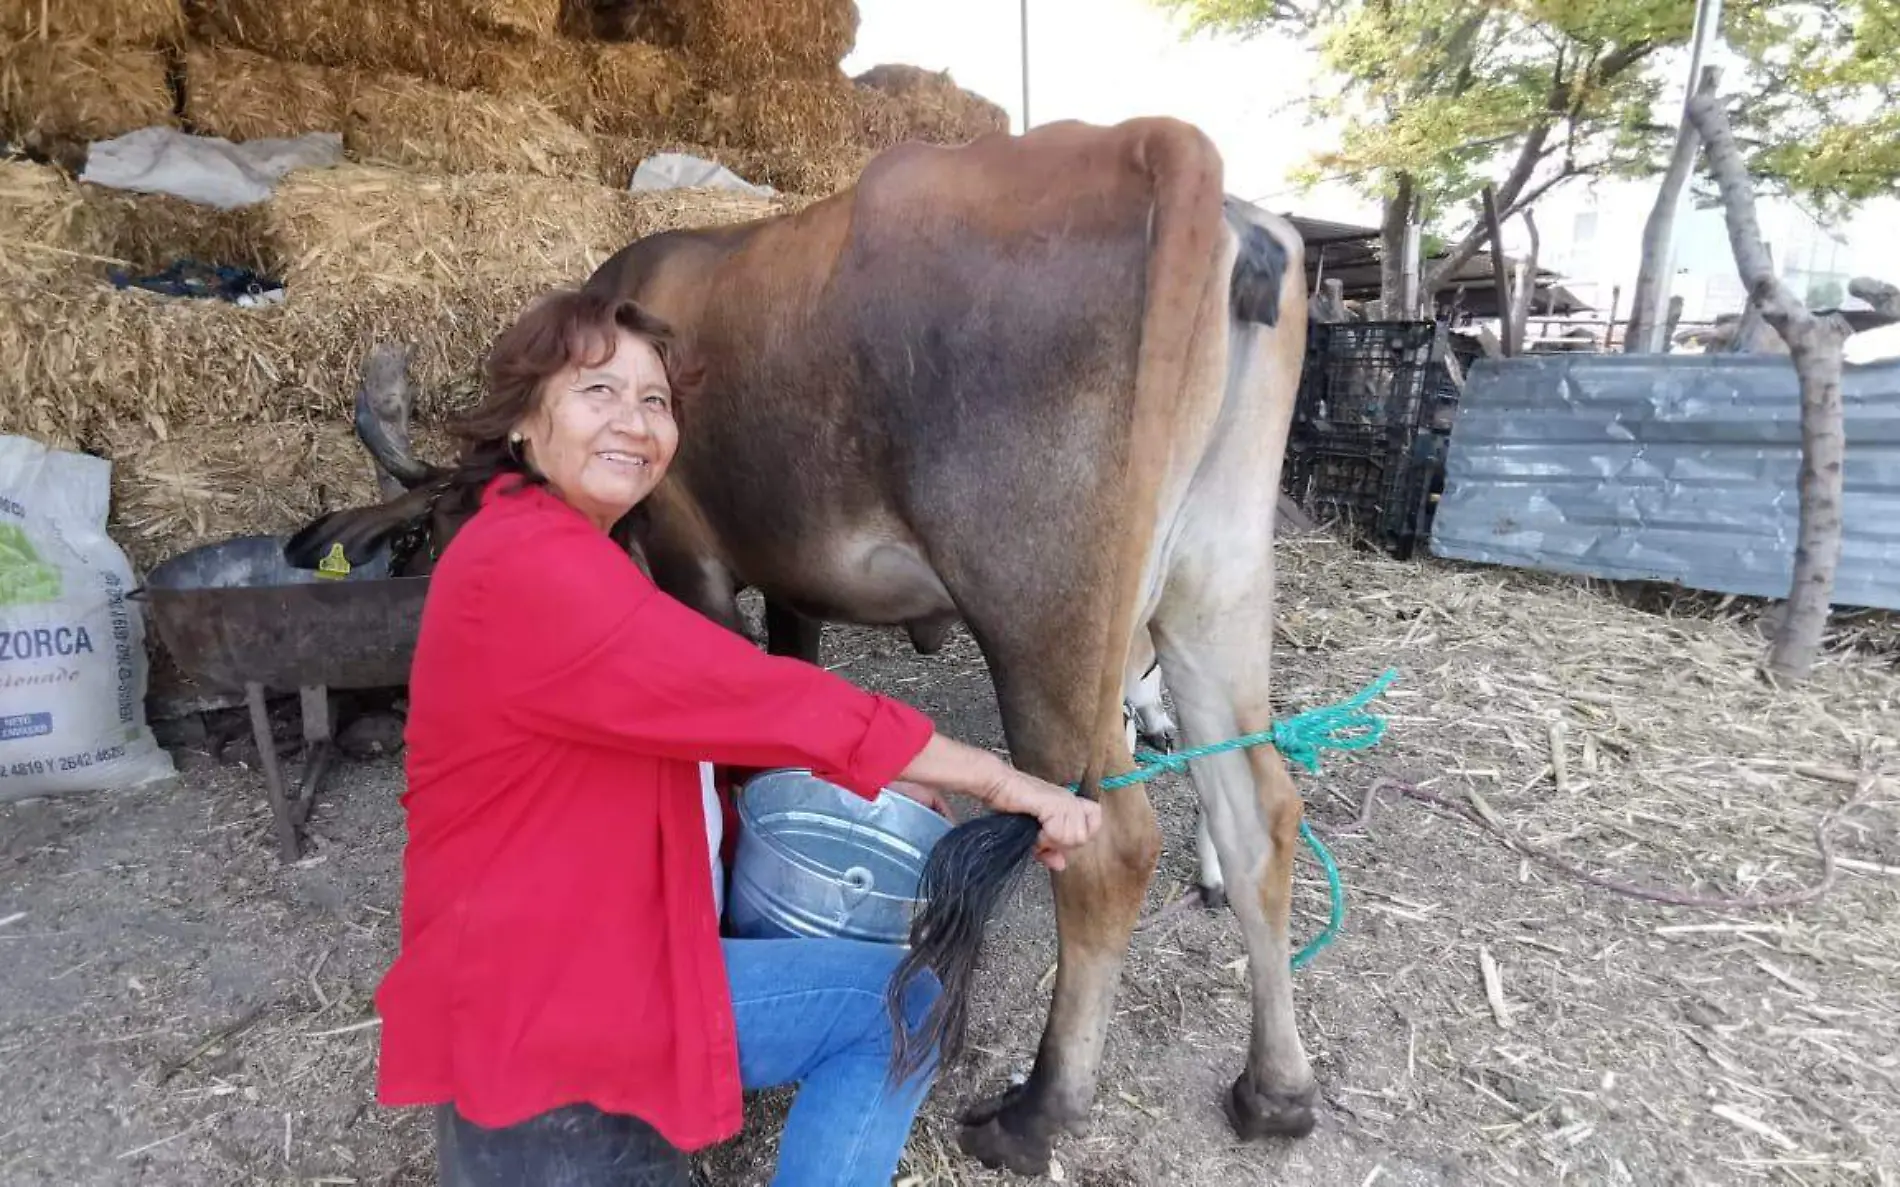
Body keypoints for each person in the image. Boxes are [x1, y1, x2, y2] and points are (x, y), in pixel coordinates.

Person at [371, 287, 1103, 1187]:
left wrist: (856, 778)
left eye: (656, 401)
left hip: (559, 959)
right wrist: (999, 778)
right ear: (524, 421)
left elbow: (669, 715)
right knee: (901, 1005)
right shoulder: (530, 566)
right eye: (599, 391)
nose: (636, 423)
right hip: (562, 997)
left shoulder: (548, 544)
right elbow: (758, 695)